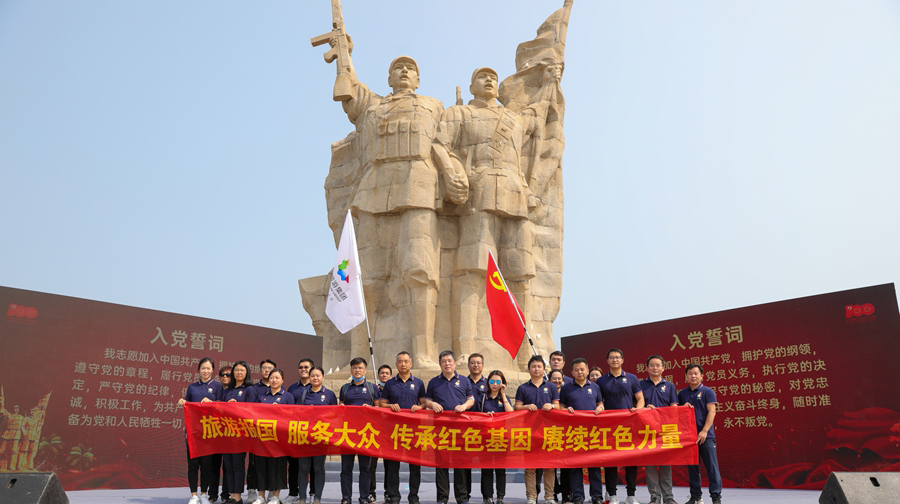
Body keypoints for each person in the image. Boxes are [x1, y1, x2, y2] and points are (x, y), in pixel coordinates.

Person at [331, 46, 465, 372]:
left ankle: (424, 353)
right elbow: (350, 89)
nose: (404, 71)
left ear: (418, 79)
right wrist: (343, 50)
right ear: (389, 78)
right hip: (372, 193)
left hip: (419, 189)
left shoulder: (435, 106)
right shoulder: (373, 106)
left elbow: (445, 144)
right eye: (398, 68)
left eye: (410, 68)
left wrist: (453, 173)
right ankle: (360, 356)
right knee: (364, 278)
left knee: (421, 272)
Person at [432, 66, 559, 364]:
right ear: (471, 86)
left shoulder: (514, 118)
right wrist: (452, 172)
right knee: (471, 270)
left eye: (492, 77)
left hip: (516, 195)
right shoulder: (459, 113)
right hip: (480, 192)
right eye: (482, 76)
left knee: (520, 274)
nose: (489, 80)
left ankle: (525, 352)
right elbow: (440, 145)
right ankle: (465, 349)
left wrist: (549, 82)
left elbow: (539, 111)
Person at [424, 350, 475, 504]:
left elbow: (471, 399)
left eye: (449, 361)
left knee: (460, 464)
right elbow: (427, 400)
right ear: (440, 364)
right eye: (444, 361)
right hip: (440, 430)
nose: (447, 364)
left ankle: (462, 498)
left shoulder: (464, 380)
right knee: (441, 465)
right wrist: (433, 404)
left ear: (455, 363)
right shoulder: (434, 382)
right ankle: (442, 498)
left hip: (460, 429)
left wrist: (464, 406)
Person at [596, 349, 644, 504]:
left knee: (631, 460)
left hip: (629, 425)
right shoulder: (601, 381)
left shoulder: (632, 378)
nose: (614, 360)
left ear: (622, 360)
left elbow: (640, 399)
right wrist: (600, 407)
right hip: (608, 426)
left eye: (617, 357)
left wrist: (638, 410)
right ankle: (612, 494)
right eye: (611, 357)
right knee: (610, 461)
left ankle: (631, 495)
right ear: (607, 361)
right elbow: (598, 401)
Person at [177, 357, 225, 504]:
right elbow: (188, 405)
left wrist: (212, 403)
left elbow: (222, 407)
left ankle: (204, 494)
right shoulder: (192, 387)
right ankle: (194, 495)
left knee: (206, 465)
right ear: (199, 370)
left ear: (213, 370)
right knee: (193, 465)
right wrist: (183, 403)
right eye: (203, 368)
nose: (205, 371)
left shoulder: (217, 386)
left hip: (209, 431)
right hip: (193, 432)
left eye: (208, 368)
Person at [380, 352, 426, 504]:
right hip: (394, 430)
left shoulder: (418, 383)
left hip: (414, 430)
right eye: (400, 361)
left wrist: (419, 407)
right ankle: (394, 496)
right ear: (396, 365)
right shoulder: (390, 383)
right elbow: (382, 404)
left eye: (406, 361)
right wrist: (390, 405)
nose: (403, 364)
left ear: (411, 364)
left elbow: (424, 403)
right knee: (393, 466)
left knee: (415, 466)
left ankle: (413, 496)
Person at [515, 355, 560, 504]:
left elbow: (558, 406)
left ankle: (549, 497)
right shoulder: (523, 388)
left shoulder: (551, 387)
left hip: (549, 431)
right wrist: (526, 407)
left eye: (539, 366)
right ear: (529, 369)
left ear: (543, 369)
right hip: (529, 432)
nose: (536, 369)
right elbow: (517, 407)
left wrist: (551, 406)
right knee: (530, 467)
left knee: (549, 467)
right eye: (533, 366)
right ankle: (531, 497)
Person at [560, 358, 604, 504]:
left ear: (587, 371)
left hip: (593, 432)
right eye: (576, 370)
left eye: (582, 369)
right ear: (572, 372)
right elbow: (561, 406)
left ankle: (597, 496)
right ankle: (578, 496)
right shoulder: (566, 388)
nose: (580, 372)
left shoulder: (595, 387)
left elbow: (600, 403)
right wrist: (566, 409)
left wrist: (600, 408)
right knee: (575, 467)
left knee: (594, 466)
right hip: (574, 432)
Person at [339, 358, 382, 504]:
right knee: (346, 468)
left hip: (366, 433)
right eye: (355, 368)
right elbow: (340, 407)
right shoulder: (345, 388)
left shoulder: (372, 388)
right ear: (351, 370)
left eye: (360, 367)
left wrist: (371, 408)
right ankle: (346, 498)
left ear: (365, 370)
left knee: (365, 468)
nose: (357, 370)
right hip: (347, 433)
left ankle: (364, 497)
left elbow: (379, 409)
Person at [678, 364, 722, 504]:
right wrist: (682, 408)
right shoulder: (682, 394)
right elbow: (677, 413)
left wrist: (704, 431)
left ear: (702, 376)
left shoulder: (708, 392)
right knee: (693, 468)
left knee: (712, 467)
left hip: (706, 436)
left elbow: (712, 412)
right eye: (690, 373)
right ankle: (696, 496)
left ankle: (716, 497)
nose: (693, 376)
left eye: (696, 373)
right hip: (689, 437)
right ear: (686, 376)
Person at [295, 366, 337, 504]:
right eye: (312, 375)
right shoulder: (303, 394)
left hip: (321, 436)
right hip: (305, 436)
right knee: (303, 468)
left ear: (323, 377)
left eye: (318, 375)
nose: (315, 378)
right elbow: (296, 413)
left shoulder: (329, 394)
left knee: (319, 468)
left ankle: (317, 497)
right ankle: (302, 498)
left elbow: (335, 415)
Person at [640, 355, 678, 504]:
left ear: (663, 368)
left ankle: (668, 497)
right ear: (647, 368)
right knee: (650, 466)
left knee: (665, 465)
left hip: (665, 430)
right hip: (647, 430)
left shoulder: (670, 386)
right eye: (652, 365)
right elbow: (636, 406)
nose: (655, 368)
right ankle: (655, 497)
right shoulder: (640, 385)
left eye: (658, 365)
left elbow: (674, 408)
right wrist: (645, 408)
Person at [253, 368, 294, 504]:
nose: (274, 380)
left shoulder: (287, 396)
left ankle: (275, 496)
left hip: (279, 438)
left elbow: (293, 415)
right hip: (262, 437)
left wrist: (281, 410)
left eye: (277, 378)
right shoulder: (261, 396)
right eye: (272, 378)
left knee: (278, 466)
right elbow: (254, 412)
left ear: (282, 380)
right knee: (260, 466)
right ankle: (261, 496)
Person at [476, 370, 514, 504]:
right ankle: (488, 496)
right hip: (485, 437)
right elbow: (475, 416)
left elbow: (511, 413)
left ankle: (500, 496)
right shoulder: (482, 398)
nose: (495, 384)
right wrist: (484, 416)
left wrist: (503, 394)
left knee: (500, 469)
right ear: (488, 382)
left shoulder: (504, 398)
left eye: (498, 381)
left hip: (500, 437)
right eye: (492, 381)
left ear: (502, 383)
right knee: (486, 468)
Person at [223, 361, 257, 504]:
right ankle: (232, 495)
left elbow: (252, 410)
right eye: (236, 370)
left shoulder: (249, 389)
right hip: (226, 432)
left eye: (242, 370)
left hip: (241, 433)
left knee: (238, 464)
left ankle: (238, 496)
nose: (239, 373)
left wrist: (237, 407)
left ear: (247, 372)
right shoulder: (227, 390)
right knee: (228, 465)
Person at [287, 358, 316, 504]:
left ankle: (313, 492)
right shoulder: (292, 388)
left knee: (313, 465)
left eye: (306, 367)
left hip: (314, 431)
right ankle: (293, 492)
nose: (303, 369)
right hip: (295, 431)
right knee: (293, 464)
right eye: (301, 367)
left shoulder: (316, 387)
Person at [248, 359, 277, 504]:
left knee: (273, 463)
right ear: (260, 370)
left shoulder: (281, 389)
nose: (267, 370)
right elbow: (251, 409)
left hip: (274, 434)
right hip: (258, 433)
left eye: (270, 368)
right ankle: (253, 490)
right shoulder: (255, 388)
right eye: (264, 368)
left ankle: (272, 492)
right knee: (254, 463)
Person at [368, 364, 394, 503]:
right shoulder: (373, 389)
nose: (384, 375)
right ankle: (371, 492)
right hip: (374, 431)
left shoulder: (393, 389)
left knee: (389, 465)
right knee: (371, 465)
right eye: (382, 373)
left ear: (391, 376)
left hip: (389, 431)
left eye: (387, 373)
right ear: (378, 376)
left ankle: (388, 492)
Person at [463, 353, 488, 498]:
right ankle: (465, 495)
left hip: (485, 428)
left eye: (478, 363)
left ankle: (486, 495)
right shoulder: (463, 382)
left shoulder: (489, 383)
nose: (476, 365)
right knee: (466, 463)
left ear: (483, 365)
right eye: (473, 363)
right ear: (468, 365)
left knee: (485, 463)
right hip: (466, 428)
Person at [209, 366, 232, 504]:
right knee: (214, 465)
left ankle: (226, 494)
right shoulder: (214, 390)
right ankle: (212, 494)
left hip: (230, 433)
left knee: (228, 466)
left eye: (228, 375)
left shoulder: (234, 391)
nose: (225, 377)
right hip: (215, 432)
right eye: (222, 374)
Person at [547, 369, 570, 504]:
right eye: (554, 379)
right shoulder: (546, 391)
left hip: (567, 432)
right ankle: (554, 492)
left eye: (559, 379)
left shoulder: (567, 391)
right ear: (549, 380)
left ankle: (567, 494)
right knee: (551, 465)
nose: (557, 381)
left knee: (566, 465)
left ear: (563, 380)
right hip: (551, 432)